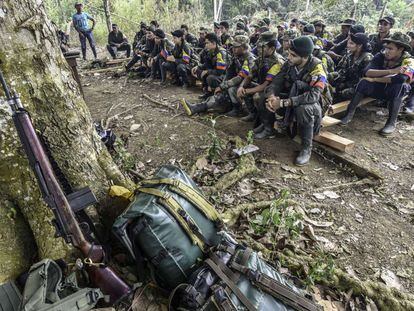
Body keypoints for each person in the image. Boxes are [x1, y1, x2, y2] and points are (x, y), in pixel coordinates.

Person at [264, 36, 331, 166]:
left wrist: (283, 102)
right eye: (289, 53)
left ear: (305, 57)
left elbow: (313, 97)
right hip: (294, 97)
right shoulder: (290, 63)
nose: (288, 57)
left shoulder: (317, 68)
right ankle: (272, 127)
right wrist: (272, 96)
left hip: (316, 104)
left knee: (303, 108)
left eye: (293, 55)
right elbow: (277, 80)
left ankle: (306, 148)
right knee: (263, 96)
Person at [340, 32, 414, 136]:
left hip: (392, 90)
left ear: (400, 49)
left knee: (400, 86)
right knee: (364, 82)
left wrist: (375, 79)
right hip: (379, 87)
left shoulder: (409, 61)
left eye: (391, 49)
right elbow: (367, 71)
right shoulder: (381, 55)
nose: (387, 51)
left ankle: (391, 122)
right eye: (387, 47)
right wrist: (391, 71)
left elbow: (400, 79)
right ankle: (349, 114)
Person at [181, 35, 253, 116]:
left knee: (230, 89)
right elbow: (228, 73)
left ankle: (238, 110)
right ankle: (197, 107)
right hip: (236, 83)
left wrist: (223, 86)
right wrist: (222, 85)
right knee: (220, 96)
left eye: (236, 47)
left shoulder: (249, 59)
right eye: (233, 46)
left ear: (243, 47)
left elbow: (241, 77)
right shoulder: (236, 57)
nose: (233, 49)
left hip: (247, 85)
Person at [238, 32, 285, 134]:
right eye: (258, 47)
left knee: (260, 97)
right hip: (264, 87)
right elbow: (249, 76)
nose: (258, 50)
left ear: (272, 49)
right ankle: (255, 116)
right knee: (246, 88)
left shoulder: (278, 62)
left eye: (261, 47)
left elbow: (267, 85)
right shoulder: (261, 59)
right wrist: (242, 87)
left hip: (274, 91)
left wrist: (246, 90)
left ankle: (268, 127)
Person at [330, 33, 372, 101]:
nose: (348, 45)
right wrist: (333, 78)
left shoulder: (367, 58)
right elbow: (341, 70)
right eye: (348, 43)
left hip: (360, 86)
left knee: (344, 93)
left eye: (351, 43)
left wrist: (344, 85)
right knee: (330, 79)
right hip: (349, 82)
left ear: (359, 46)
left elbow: (364, 80)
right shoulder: (349, 55)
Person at [191, 33, 228, 99]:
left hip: (225, 76)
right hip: (216, 73)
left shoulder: (221, 53)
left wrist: (207, 71)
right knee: (199, 71)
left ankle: (216, 94)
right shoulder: (211, 51)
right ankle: (207, 92)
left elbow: (220, 71)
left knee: (210, 77)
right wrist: (198, 67)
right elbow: (207, 64)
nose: (206, 45)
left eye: (207, 43)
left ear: (214, 43)